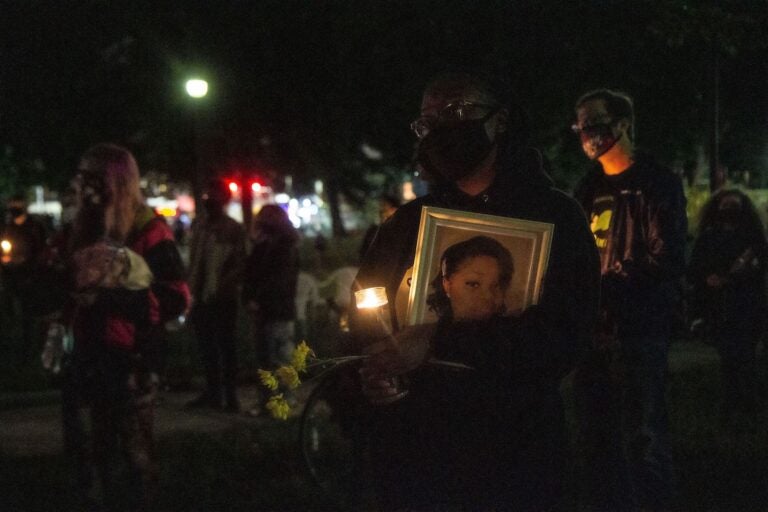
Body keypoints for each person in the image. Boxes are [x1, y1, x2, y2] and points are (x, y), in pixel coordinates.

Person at [354, 71, 601, 511]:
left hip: (516, 452)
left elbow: (564, 336)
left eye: (458, 111)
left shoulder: (555, 217)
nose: (442, 129)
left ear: (500, 121)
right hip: (418, 453)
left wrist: (436, 339)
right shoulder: (408, 224)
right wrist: (374, 366)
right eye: (428, 121)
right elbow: (363, 305)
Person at [572, 89, 687, 511]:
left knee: (643, 434)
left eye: (595, 123)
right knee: (594, 435)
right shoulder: (586, 189)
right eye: (580, 125)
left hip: (637, 330)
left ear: (622, 124)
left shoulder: (656, 184)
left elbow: (668, 255)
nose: (586, 134)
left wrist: (614, 287)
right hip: (593, 332)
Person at [59, 143, 190, 510]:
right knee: (87, 456)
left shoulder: (149, 231)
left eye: (92, 177)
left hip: (130, 361)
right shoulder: (82, 229)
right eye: (82, 176)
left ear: (116, 181)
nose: (84, 186)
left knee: (133, 459)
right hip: (84, 359)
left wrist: (105, 298)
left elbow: (176, 297)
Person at [687, 189, 767, 425]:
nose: (729, 210)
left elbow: (759, 267)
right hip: (720, 308)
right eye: (725, 205)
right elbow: (695, 269)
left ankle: (747, 406)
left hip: (748, 305)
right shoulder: (708, 238)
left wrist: (736, 277)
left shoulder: (753, 239)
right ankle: (732, 405)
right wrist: (707, 279)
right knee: (729, 358)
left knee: (746, 357)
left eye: (734, 206)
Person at [186, 178, 246, 412]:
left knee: (226, 346)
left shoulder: (232, 229)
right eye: (207, 196)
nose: (208, 200)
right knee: (207, 346)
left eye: (213, 196)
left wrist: (222, 285)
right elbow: (194, 261)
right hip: (201, 296)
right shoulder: (200, 226)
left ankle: (230, 396)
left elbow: (240, 264)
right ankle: (213, 393)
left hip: (222, 298)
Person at [242, 204, 300, 412]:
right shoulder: (270, 245)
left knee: (277, 357)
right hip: (271, 309)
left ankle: (282, 401)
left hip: (276, 310)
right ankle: (271, 401)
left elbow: (276, 280)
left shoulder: (281, 247)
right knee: (269, 358)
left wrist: (256, 298)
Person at [0, 193, 48, 364]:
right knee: (10, 315)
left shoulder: (34, 228)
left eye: (17, 207)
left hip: (29, 277)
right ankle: (12, 350)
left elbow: (42, 252)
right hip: (11, 278)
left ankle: (28, 352)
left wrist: (26, 261)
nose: (13, 211)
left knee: (29, 316)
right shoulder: (7, 228)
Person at [359, 193, 400, 260]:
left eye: (385, 209)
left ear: (395, 209)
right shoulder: (373, 232)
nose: (382, 213)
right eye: (381, 211)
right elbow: (364, 254)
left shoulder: (401, 230)